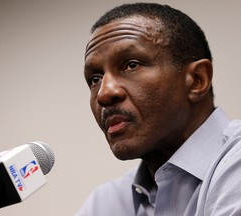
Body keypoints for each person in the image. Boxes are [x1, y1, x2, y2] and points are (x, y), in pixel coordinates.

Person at [76, 2, 241, 216]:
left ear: (197, 80)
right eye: (95, 79)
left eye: (131, 65)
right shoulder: (105, 203)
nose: (104, 93)